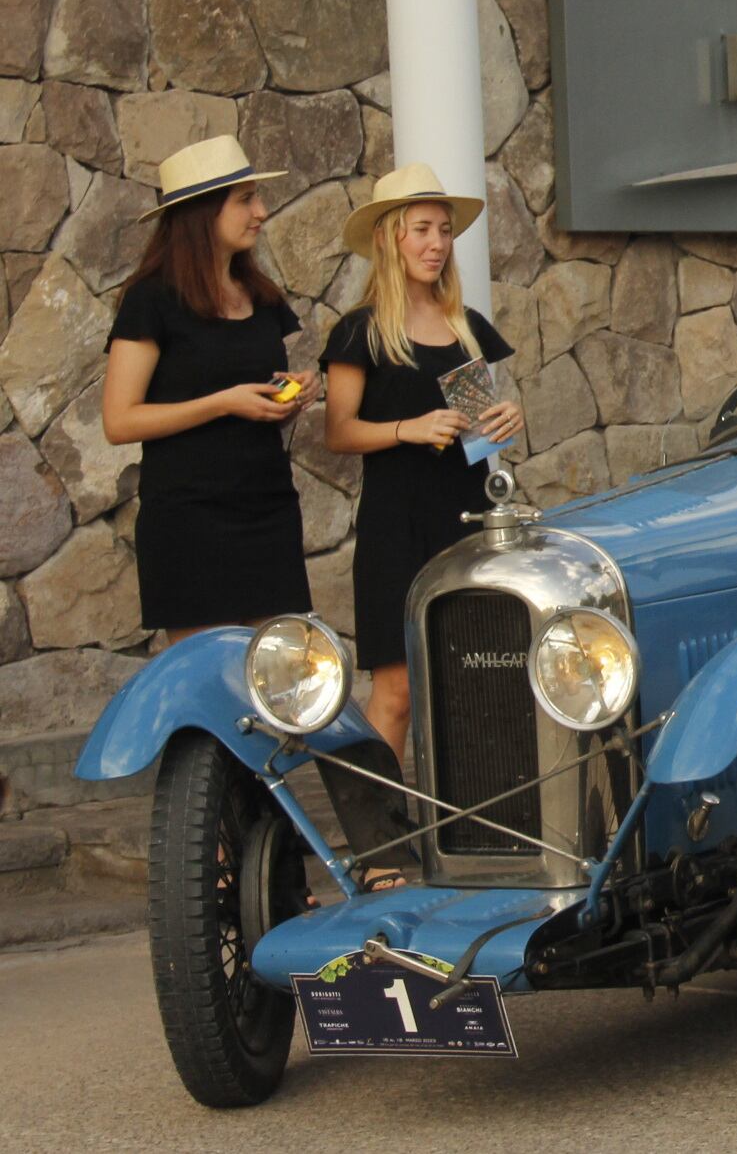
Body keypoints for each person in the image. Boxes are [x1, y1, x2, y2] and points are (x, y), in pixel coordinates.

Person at [321, 164, 524, 768]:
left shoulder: (465, 327)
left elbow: (480, 437)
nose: (437, 243)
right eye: (421, 230)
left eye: (443, 230)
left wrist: (503, 421)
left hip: (467, 520)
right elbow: (338, 432)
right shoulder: (361, 331)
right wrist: (408, 429)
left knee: (475, 682)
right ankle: (381, 843)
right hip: (395, 525)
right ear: (389, 238)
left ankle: (471, 832)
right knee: (398, 690)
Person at [101, 135, 318, 645]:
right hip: (190, 520)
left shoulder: (261, 297)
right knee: (207, 682)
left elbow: (255, 394)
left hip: (267, 507)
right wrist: (224, 403)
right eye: (245, 199)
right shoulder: (151, 299)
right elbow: (119, 421)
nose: (261, 212)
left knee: (282, 676)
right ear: (202, 212)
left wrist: (289, 397)